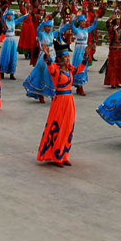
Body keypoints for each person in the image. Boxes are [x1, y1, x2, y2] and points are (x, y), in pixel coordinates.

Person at [37, 39, 91, 167]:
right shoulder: (56, 71)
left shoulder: (70, 69)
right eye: (65, 57)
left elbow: (80, 69)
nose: (68, 59)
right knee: (58, 127)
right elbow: (49, 65)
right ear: (59, 59)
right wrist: (47, 56)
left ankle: (64, 154)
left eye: (68, 56)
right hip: (60, 102)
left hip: (69, 101)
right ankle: (57, 156)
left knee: (68, 128)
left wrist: (85, 56)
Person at [23, 18, 67, 103]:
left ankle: (52, 94)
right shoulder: (41, 35)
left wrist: (69, 23)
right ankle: (41, 94)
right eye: (47, 27)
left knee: (52, 74)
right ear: (44, 27)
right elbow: (38, 30)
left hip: (51, 56)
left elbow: (61, 30)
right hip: (43, 57)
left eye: (50, 27)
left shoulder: (52, 34)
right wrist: (43, 22)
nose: (49, 28)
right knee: (42, 75)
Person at [62, 14, 97, 95]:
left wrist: (96, 18)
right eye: (82, 21)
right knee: (78, 67)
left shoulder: (86, 30)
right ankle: (80, 87)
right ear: (79, 22)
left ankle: (79, 86)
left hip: (84, 50)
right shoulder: (76, 30)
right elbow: (72, 25)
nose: (83, 23)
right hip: (78, 50)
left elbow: (94, 26)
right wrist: (75, 18)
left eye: (84, 21)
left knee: (83, 67)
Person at [103, 10, 121, 88]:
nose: (118, 21)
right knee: (113, 66)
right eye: (117, 19)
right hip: (113, 50)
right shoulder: (113, 28)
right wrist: (109, 20)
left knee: (119, 67)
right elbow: (108, 26)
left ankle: (117, 82)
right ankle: (112, 82)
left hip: (120, 50)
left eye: (119, 19)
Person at [0, 9, 29, 80]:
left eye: (10, 15)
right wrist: (4, 13)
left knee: (12, 56)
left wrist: (26, 15)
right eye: (8, 15)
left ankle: (12, 73)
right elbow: (2, 19)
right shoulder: (5, 22)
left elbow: (20, 18)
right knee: (6, 55)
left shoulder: (13, 22)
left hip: (12, 40)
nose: (9, 16)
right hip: (7, 40)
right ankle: (2, 72)